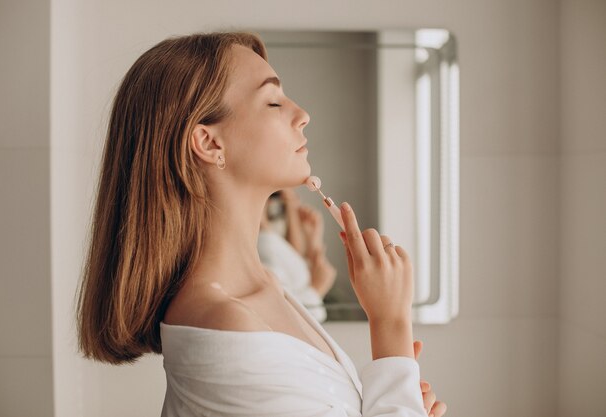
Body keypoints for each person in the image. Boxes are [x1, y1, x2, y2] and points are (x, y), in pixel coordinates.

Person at [76, 32, 447, 417]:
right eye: (273, 101)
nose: (302, 114)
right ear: (209, 143)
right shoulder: (225, 324)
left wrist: (397, 398)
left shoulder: (269, 288)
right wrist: (390, 326)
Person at [258, 188, 337, 322]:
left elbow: (288, 259)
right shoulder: (265, 245)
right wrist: (317, 289)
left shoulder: (269, 244)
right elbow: (281, 316)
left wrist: (313, 245)